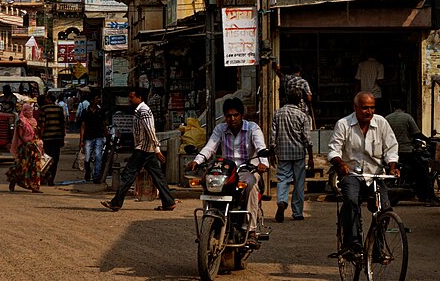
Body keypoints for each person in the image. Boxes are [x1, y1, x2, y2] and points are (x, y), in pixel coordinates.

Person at [328, 92, 399, 261]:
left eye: (372, 107)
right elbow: (333, 149)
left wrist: (392, 167)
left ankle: (377, 248)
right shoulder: (344, 124)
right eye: (365, 107)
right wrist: (340, 164)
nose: (369, 111)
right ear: (355, 108)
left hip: (375, 174)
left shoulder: (381, 123)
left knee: (385, 209)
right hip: (352, 174)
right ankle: (352, 244)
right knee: (351, 201)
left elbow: (391, 148)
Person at [189, 97, 268, 237]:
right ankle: (210, 217)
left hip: (246, 169)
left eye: (235, 115)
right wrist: (197, 161)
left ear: (241, 115)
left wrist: (263, 163)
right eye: (228, 116)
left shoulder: (253, 128)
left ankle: (250, 229)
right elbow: (210, 148)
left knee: (252, 185)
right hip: (225, 170)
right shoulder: (220, 129)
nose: (232, 119)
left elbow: (261, 147)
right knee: (206, 183)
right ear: (225, 116)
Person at [103, 86, 176, 211]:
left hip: (143, 149)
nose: (129, 99)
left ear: (139, 98)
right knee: (157, 176)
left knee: (128, 175)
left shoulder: (144, 111)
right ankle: (168, 202)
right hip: (146, 150)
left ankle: (116, 203)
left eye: (132, 97)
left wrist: (157, 149)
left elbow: (150, 131)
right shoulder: (140, 111)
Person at [270, 89, 313, 222]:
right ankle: (297, 212)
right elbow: (307, 138)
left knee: (283, 179)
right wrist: (311, 157)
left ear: (286, 98)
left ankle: (282, 201)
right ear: (300, 101)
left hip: (283, 153)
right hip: (298, 153)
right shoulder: (302, 115)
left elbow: (273, 136)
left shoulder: (277, 114)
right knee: (299, 183)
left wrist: (272, 152)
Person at [386, 100, 431, 202]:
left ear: (393, 108)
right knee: (422, 171)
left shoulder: (387, 118)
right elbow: (416, 134)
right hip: (406, 152)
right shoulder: (407, 117)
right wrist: (428, 140)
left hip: (391, 152)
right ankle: (424, 196)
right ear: (404, 108)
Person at [6, 102, 44, 193]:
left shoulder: (34, 121)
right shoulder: (21, 121)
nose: (30, 112)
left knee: (35, 167)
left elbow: (36, 134)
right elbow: (20, 135)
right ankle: (13, 181)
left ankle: (34, 186)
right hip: (25, 148)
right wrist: (27, 143)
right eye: (28, 110)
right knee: (22, 166)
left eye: (31, 110)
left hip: (34, 147)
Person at [37, 92, 67, 186]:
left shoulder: (44, 109)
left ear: (48, 99)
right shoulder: (59, 109)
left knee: (45, 159)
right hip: (57, 138)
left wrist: (40, 137)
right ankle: (51, 180)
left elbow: (42, 124)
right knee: (55, 159)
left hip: (47, 138)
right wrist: (62, 137)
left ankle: (45, 177)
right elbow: (62, 124)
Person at [78, 95, 107, 182]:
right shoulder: (85, 112)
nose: (98, 100)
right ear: (91, 100)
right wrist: (81, 140)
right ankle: (88, 171)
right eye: (96, 98)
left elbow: (104, 124)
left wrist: (106, 133)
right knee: (87, 158)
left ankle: (96, 176)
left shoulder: (101, 111)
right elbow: (82, 126)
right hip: (88, 137)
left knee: (98, 157)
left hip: (99, 136)